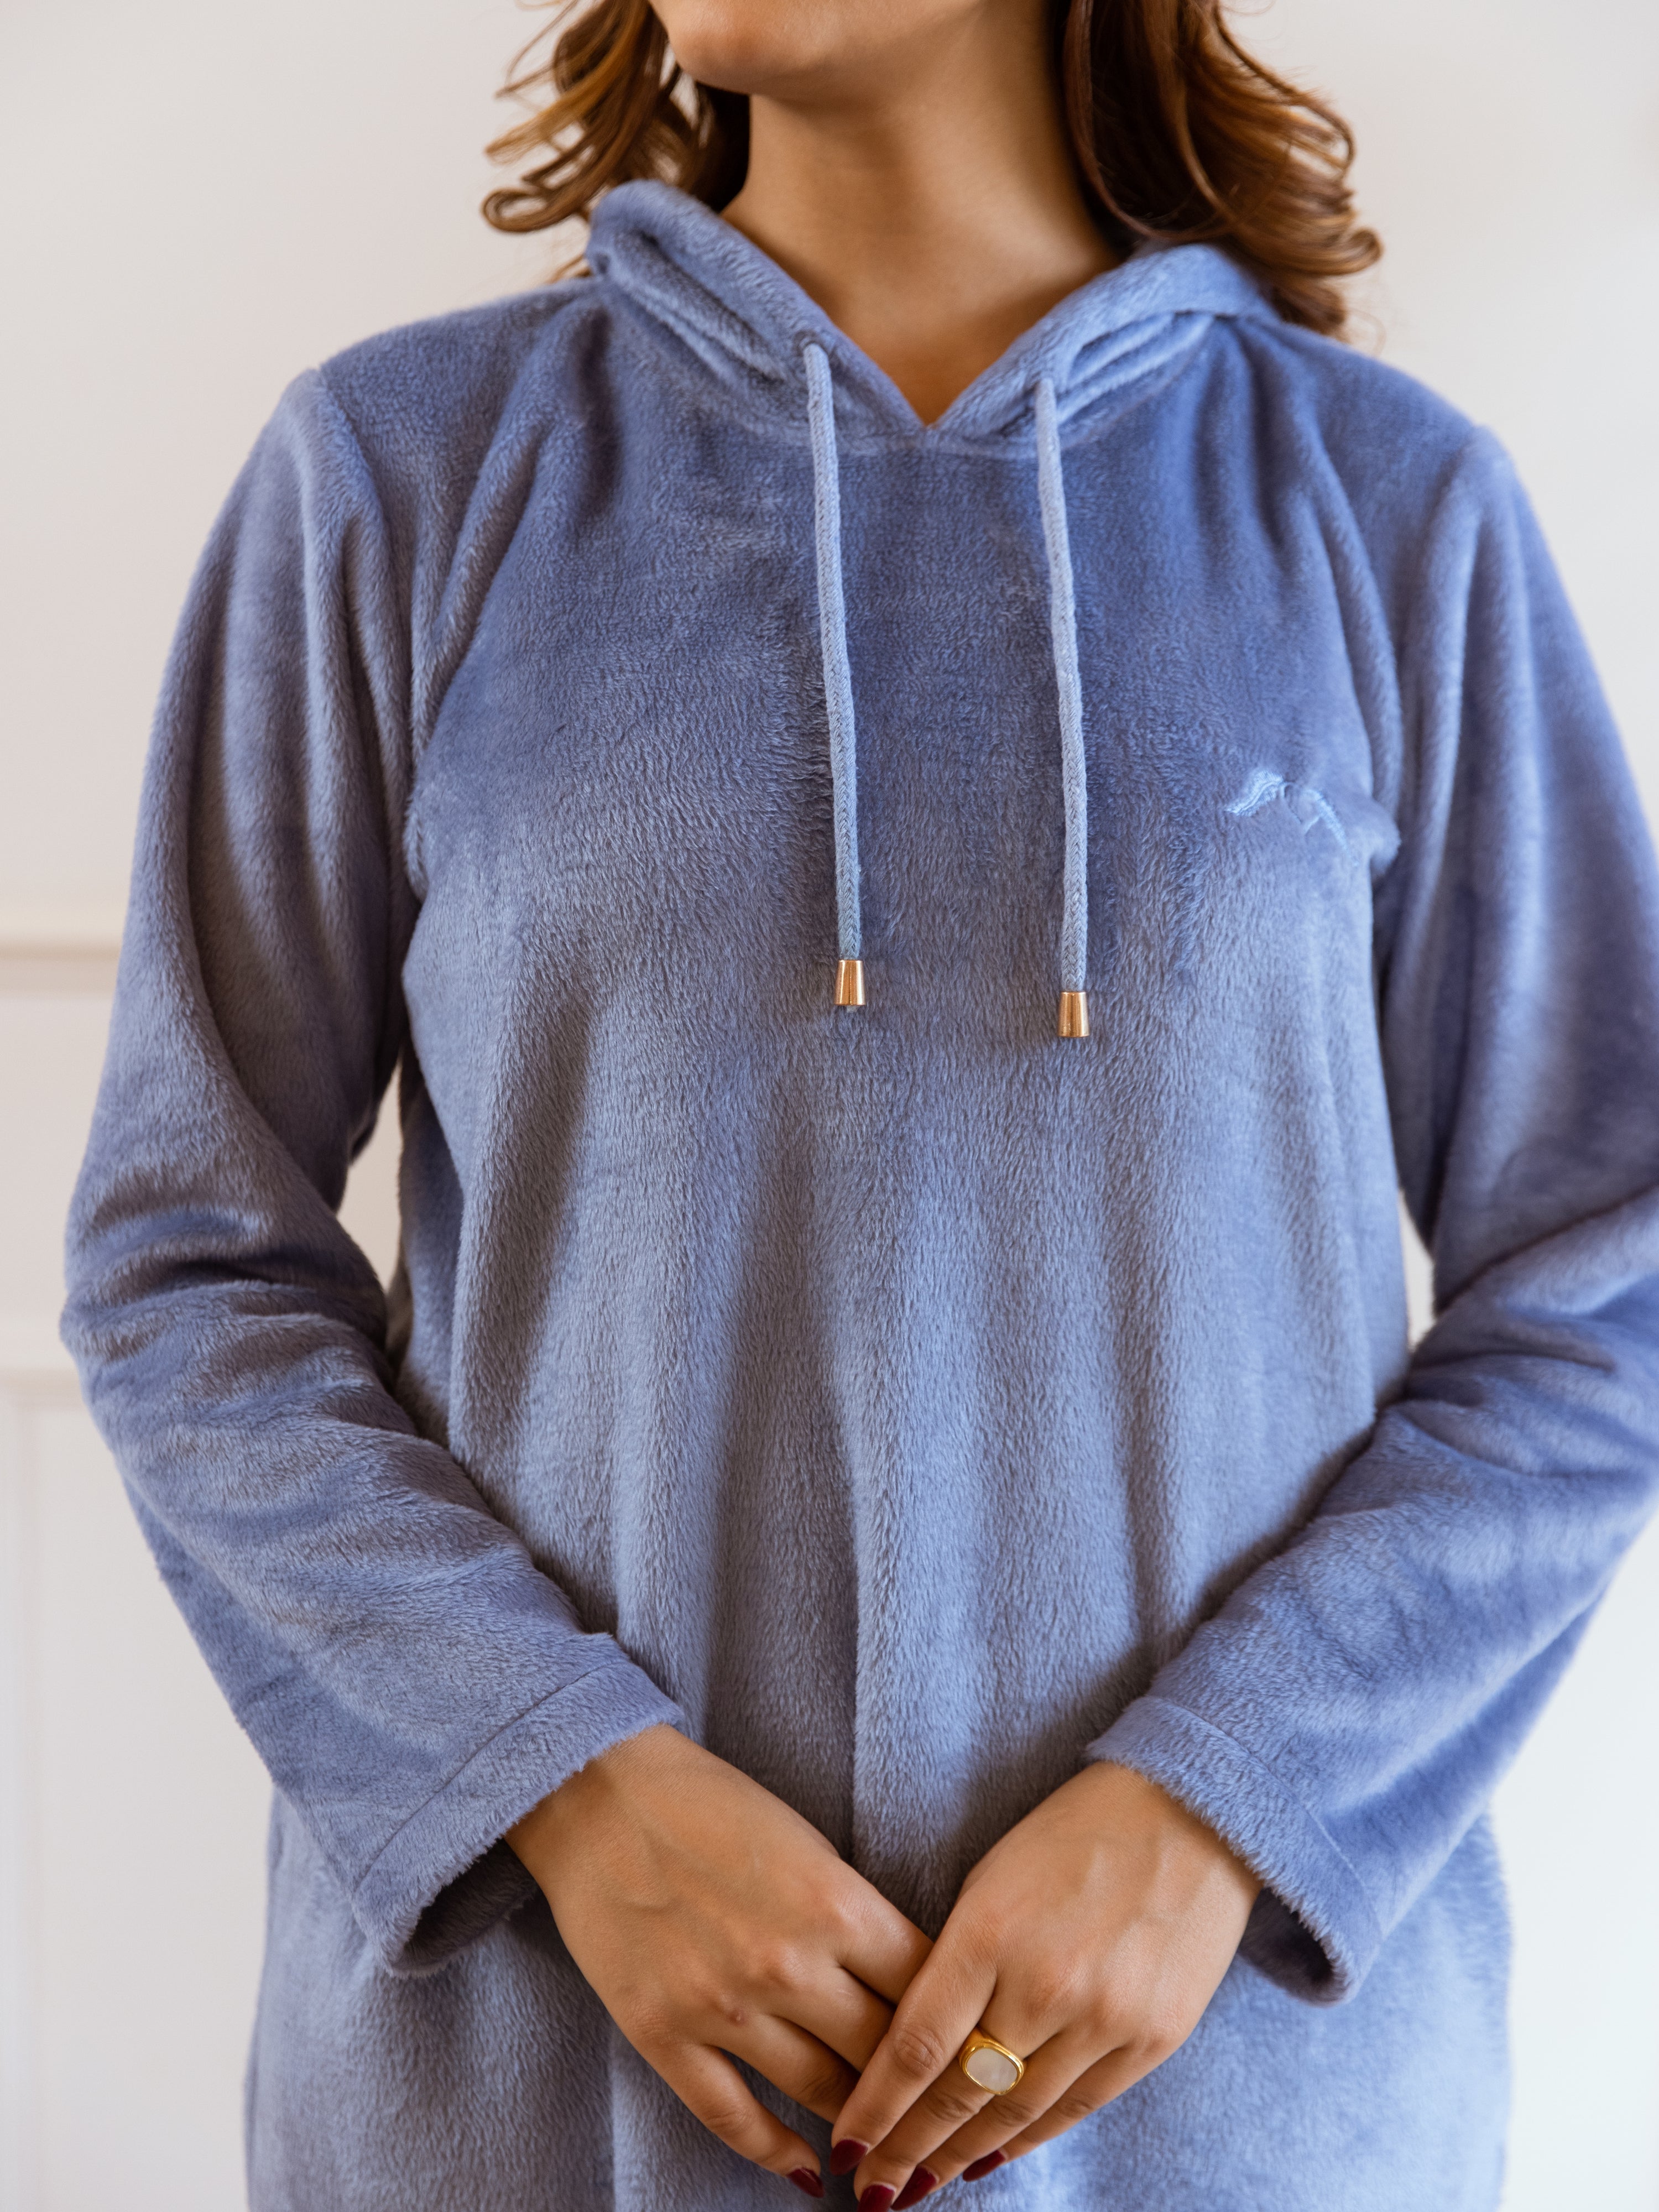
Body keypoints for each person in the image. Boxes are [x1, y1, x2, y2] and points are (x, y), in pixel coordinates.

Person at [61, 0, 1659, 2206]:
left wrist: (1227, 1799)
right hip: (536, 2099)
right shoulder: (401, 477)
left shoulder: (1388, 511)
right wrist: (566, 1781)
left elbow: (1608, 1282)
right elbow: (185, 1263)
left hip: (1229, 2119)